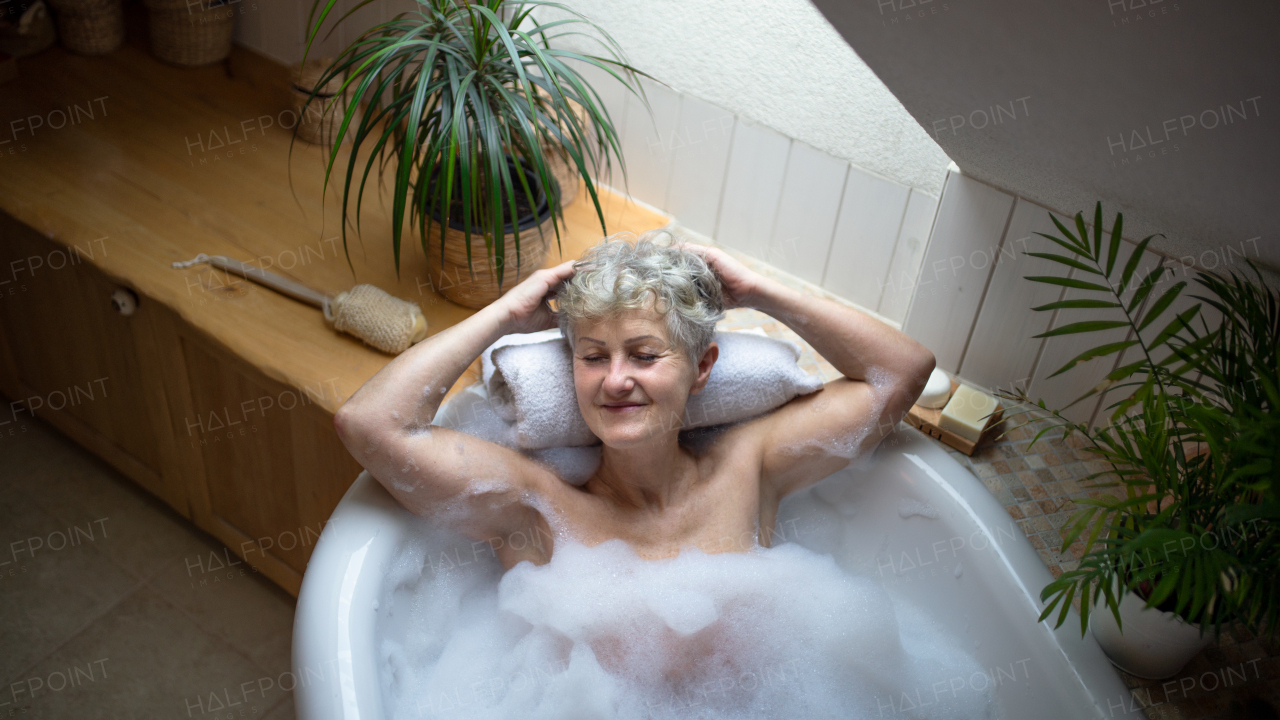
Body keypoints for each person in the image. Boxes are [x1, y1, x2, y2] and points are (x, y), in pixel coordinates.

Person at [333, 231, 935, 571]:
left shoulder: (749, 468)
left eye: (645, 356)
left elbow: (901, 375)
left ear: (702, 368)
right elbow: (369, 425)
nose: (615, 380)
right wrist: (506, 317)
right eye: (593, 356)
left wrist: (758, 292)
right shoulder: (539, 509)